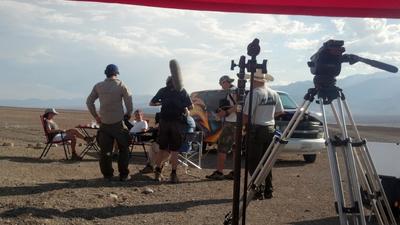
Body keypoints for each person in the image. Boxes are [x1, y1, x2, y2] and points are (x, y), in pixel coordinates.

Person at [86, 64, 133, 181]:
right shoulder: (121, 85)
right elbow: (129, 101)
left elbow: (89, 102)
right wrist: (128, 114)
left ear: (105, 73)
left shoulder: (98, 86)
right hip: (118, 122)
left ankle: (107, 175)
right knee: (124, 149)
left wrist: (96, 116)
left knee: (105, 151)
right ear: (116, 73)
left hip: (104, 123)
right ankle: (123, 174)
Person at [243, 68, 284, 199]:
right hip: (270, 129)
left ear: (254, 80)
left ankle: (257, 189)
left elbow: (245, 115)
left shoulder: (254, 93)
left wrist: (244, 128)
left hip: (256, 129)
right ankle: (268, 189)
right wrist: (268, 116)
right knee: (266, 161)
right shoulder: (273, 93)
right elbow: (280, 111)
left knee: (253, 162)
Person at [150, 76, 193, 183]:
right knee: (175, 150)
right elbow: (191, 106)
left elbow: (151, 103)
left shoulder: (163, 90)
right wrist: (183, 107)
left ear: (167, 82)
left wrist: (162, 103)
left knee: (162, 148)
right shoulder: (182, 91)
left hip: (164, 122)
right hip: (176, 123)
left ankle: (158, 173)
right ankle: (173, 175)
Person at [206, 75, 237, 180]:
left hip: (231, 123)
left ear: (225, 82)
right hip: (237, 123)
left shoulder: (232, 92)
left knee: (222, 148)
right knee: (235, 148)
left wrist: (226, 113)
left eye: (221, 84)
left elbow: (238, 106)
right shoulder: (235, 90)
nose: (221, 87)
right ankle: (235, 172)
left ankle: (219, 172)